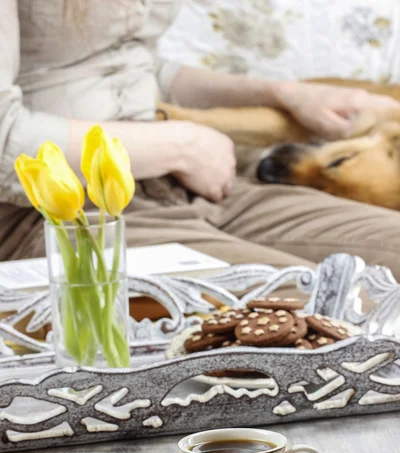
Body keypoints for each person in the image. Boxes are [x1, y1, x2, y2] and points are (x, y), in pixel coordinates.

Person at [2, 0, 400, 280]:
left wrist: (282, 93)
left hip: (183, 186)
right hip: (55, 210)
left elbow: (125, 65)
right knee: (340, 318)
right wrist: (180, 146)